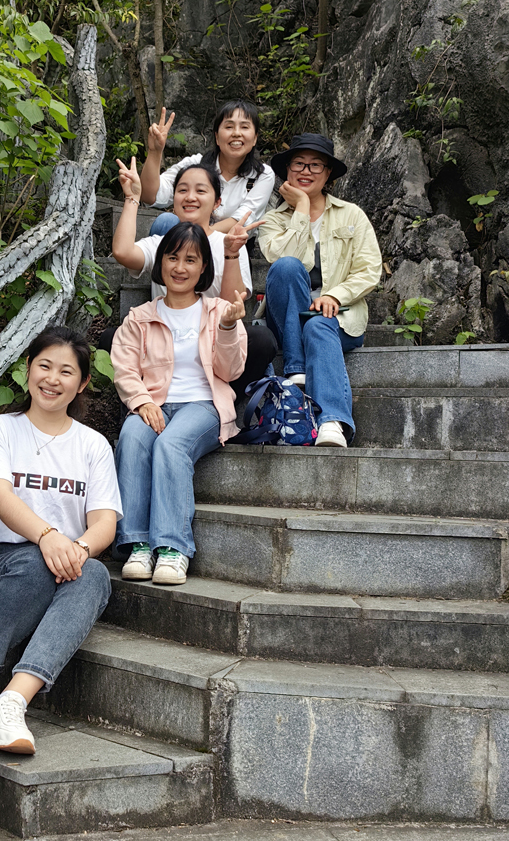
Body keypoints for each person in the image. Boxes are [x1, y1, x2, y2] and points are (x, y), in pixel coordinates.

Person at [0, 326, 121, 755]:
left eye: (66, 371)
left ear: (82, 383)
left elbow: (104, 523)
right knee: (34, 560)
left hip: (62, 566)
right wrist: (47, 537)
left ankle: (10, 702)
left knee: (95, 574)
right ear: (27, 370)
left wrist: (77, 549)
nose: (52, 378)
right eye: (44, 365)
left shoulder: (93, 445)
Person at [111, 218, 247, 587]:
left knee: (171, 445)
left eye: (191, 259)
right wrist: (141, 402)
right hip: (153, 403)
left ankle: (172, 549)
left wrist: (229, 328)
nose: (180, 267)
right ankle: (138, 543)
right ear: (161, 264)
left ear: (204, 266)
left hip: (203, 405)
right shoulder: (140, 317)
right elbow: (124, 367)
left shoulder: (220, 311)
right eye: (172, 258)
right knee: (134, 438)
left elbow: (231, 371)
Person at [110, 157, 275, 399]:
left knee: (261, 340)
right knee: (113, 338)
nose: (190, 197)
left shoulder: (227, 243)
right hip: (165, 344)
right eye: (182, 190)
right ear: (173, 200)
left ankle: (221, 400)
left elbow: (232, 306)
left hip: (215, 350)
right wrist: (132, 198)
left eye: (200, 190)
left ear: (217, 202)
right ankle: (151, 399)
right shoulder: (162, 245)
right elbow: (123, 252)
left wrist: (231, 253)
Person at [258, 133, 382, 448]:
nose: (306, 170)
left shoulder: (351, 215)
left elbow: (369, 270)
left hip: (340, 317)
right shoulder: (273, 220)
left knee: (318, 325)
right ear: (287, 169)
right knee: (287, 266)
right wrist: (300, 208)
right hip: (285, 317)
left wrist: (334, 296)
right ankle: (296, 369)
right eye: (299, 163)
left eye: (316, 165)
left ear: (328, 174)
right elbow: (277, 259)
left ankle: (332, 423)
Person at [139, 100, 276, 237]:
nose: (236, 133)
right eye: (229, 127)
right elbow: (150, 196)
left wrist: (200, 234)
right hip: (186, 245)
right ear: (217, 137)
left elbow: (242, 219)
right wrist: (155, 151)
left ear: (254, 139)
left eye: (244, 127)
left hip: (231, 249)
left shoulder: (262, 175)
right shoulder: (195, 165)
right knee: (166, 221)